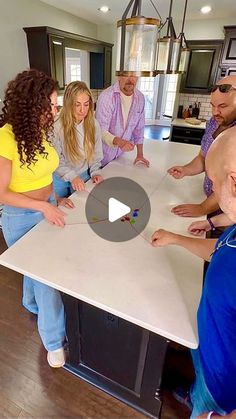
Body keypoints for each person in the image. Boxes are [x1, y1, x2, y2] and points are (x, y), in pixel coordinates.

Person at [151, 125, 236, 418]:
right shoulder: (234, 227)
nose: (210, 189)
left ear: (233, 183)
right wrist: (177, 239)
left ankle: (200, 402)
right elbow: (220, 252)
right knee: (200, 383)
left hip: (222, 396)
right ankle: (195, 391)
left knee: (204, 402)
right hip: (209, 352)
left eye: (212, 182)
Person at [0, 69, 73, 368]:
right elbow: (1, 193)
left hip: (44, 208)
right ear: (31, 105)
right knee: (47, 276)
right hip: (20, 218)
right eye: (50, 106)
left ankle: (30, 304)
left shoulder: (38, 132)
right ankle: (54, 342)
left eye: (55, 105)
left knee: (36, 271)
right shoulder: (5, 137)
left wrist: (55, 199)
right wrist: (43, 207)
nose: (54, 112)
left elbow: (45, 172)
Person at [168, 75, 236, 218]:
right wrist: (186, 169)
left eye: (223, 106)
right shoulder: (213, 123)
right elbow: (203, 157)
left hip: (226, 212)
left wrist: (202, 208)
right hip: (206, 198)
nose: (215, 112)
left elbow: (230, 188)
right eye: (213, 105)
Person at [52, 81, 103, 198]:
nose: (82, 110)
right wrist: (72, 176)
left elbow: (96, 154)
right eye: (77, 104)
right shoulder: (56, 126)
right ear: (68, 104)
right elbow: (56, 159)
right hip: (59, 178)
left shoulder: (94, 124)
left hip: (83, 174)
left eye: (86, 104)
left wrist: (96, 172)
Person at [96, 76, 150, 167]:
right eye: (126, 75)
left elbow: (139, 129)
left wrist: (140, 155)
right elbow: (100, 131)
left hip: (120, 157)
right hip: (102, 158)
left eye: (134, 76)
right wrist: (120, 142)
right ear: (119, 76)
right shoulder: (107, 97)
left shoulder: (140, 97)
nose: (130, 80)